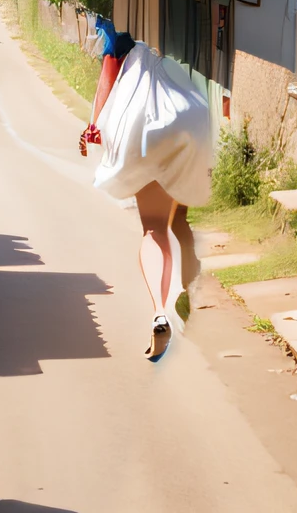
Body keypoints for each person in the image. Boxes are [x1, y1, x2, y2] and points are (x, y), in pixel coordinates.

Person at [80, 19, 211, 361]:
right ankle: (189, 288)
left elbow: (106, 84)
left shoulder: (119, 45)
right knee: (178, 220)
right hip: (187, 128)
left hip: (144, 134)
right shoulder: (177, 54)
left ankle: (159, 311)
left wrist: (93, 127)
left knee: (153, 227)